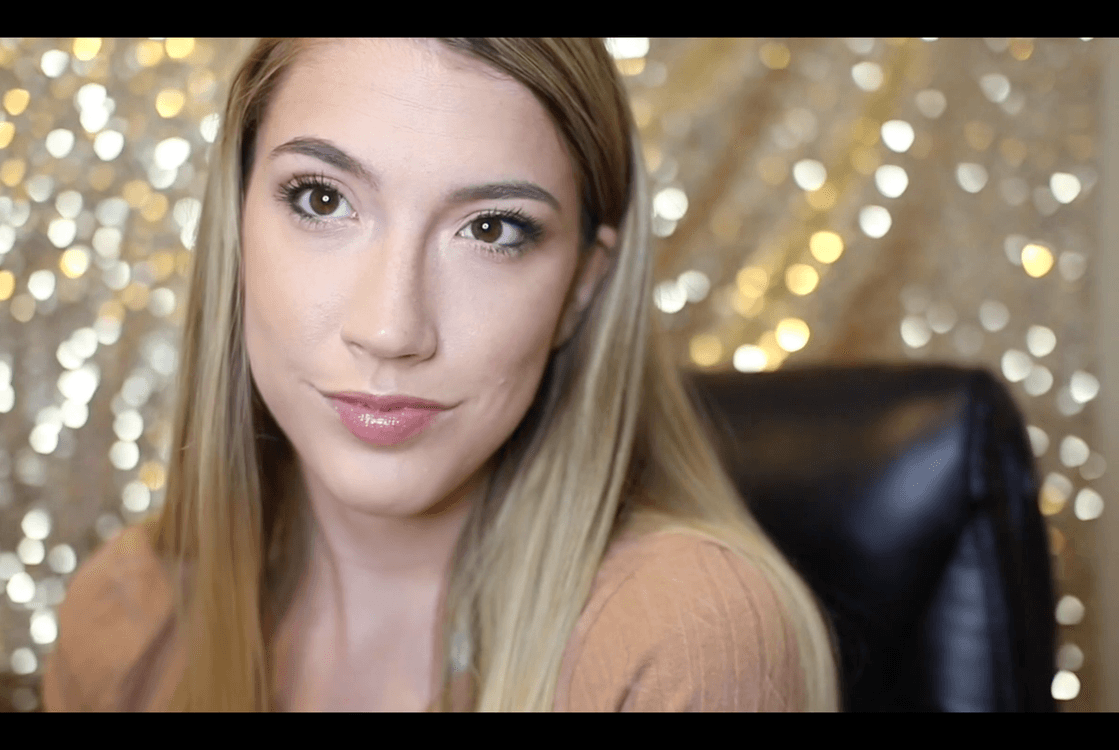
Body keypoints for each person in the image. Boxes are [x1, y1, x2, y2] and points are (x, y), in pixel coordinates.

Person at [42, 38, 841, 712]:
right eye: (322, 200)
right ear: (236, 225)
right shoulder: (126, 622)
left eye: (491, 229)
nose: (391, 331)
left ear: (581, 289)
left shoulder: (685, 641)